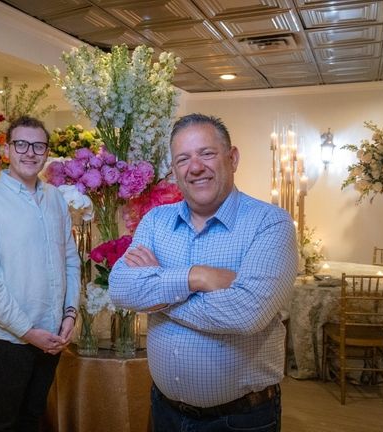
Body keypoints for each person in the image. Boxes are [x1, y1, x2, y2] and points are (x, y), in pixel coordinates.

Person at [109, 113, 297, 431]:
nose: (195, 167)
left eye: (206, 153)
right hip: (164, 411)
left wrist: (159, 290)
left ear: (232, 158)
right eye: (183, 158)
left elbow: (245, 314)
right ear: (174, 169)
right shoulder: (155, 221)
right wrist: (196, 276)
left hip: (239, 419)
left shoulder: (270, 223)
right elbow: (121, 288)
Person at [0, 115, 81, 431]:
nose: (30, 152)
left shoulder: (55, 198)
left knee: (33, 418)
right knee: (4, 422)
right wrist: (28, 332)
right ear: (7, 150)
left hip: (52, 335)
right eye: (22, 144)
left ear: (46, 152)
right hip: (7, 340)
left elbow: (70, 260)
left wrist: (70, 314)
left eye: (38, 145)